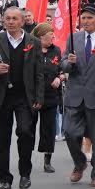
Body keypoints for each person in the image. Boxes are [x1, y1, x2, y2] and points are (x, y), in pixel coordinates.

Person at [0, 7, 44, 189]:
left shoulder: (33, 42)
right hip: (2, 97)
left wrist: (39, 97)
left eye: (14, 19)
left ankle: (25, 173)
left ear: (22, 21)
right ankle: (4, 178)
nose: (10, 22)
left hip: (24, 97)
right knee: (2, 139)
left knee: (26, 132)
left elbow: (39, 73)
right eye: (7, 19)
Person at [60, 4, 95, 187]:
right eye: (83, 18)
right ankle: (80, 162)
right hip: (75, 94)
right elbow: (64, 63)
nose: (86, 21)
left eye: (90, 18)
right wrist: (69, 62)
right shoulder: (73, 38)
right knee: (69, 132)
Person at [32, 23, 63, 174]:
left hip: (51, 96)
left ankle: (47, 160)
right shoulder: (31, 50)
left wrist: (60, 77)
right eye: (50, 34)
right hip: (33, 96)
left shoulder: (56, 50)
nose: (52, 36)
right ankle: (26, 158)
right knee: (28, 128)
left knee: (49, 130)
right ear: (41, 36)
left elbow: (61, 69)